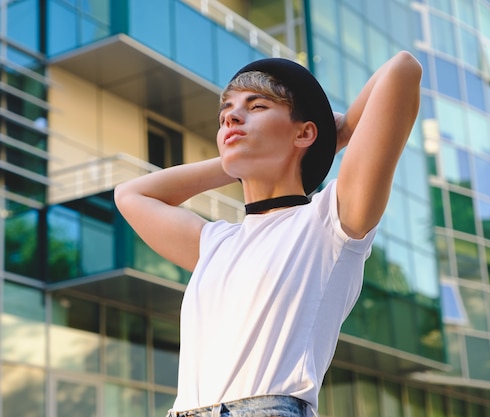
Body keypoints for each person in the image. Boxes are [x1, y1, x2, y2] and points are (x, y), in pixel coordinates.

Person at [114, 51, 422, 417]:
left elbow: (403, 69)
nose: (231, 115)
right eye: (226, 111)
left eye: (256, 106)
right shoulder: (215, 243)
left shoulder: (329, 222)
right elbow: (130, 195)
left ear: (304, 132)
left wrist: (337, 135)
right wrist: (236, 158)